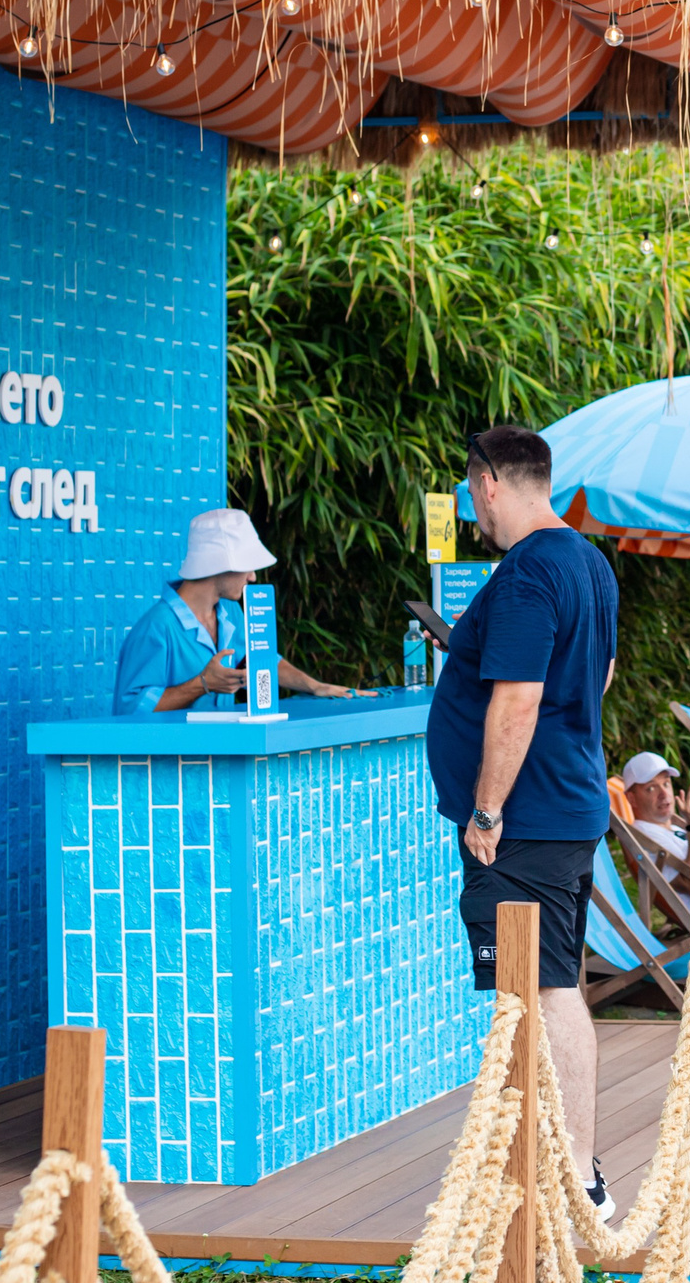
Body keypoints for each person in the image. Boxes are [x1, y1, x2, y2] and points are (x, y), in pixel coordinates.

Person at [427, 424, 621, 1212]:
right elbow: (600, 672)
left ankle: (570, 1175)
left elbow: (517, 696)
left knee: (537, 991)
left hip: (524, 821)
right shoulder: (588, 561)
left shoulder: (525, 574)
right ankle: (568, 1167)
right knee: (553, 982)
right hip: (565, 803)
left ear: (488, 484)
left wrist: (486, 808)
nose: (475, 508)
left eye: (473, 493)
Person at [111, 508, 373, 713]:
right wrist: (202, 684)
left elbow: (262, 659)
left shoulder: (230, 613)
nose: (253, 577)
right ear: (218, 563)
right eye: (248, 564)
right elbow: (129, 711)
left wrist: (315, 686)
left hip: (220, 763)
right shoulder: (156, 628)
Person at [616, 751, 690, 887]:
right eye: (651, 788)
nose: (664, 794)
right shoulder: (644, 838)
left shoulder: (674, 828)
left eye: (666, 783)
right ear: (631, 798)